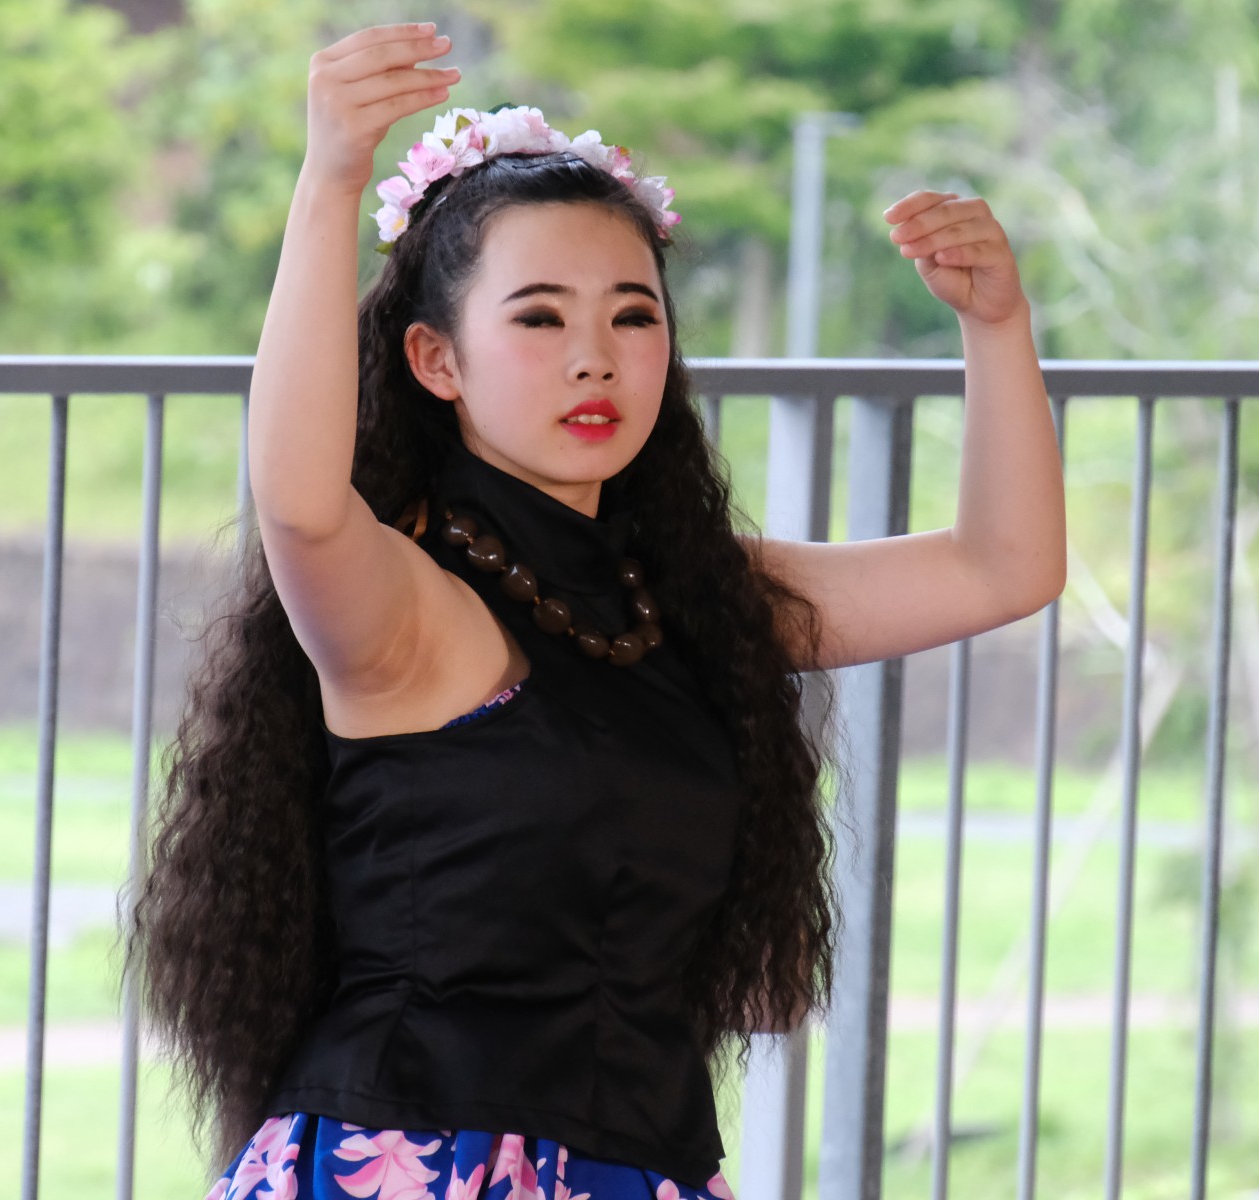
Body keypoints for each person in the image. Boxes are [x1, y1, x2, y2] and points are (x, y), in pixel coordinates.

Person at [123, 20, 1066, 1200]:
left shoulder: (695, 599)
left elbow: (1005, 567)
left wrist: (996, 326)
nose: (596, 358)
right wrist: (330, 183)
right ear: (436, 359)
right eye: (538, 317)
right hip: (411, 1165)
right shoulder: (411, 606)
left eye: (632, 314)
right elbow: (303, 507)